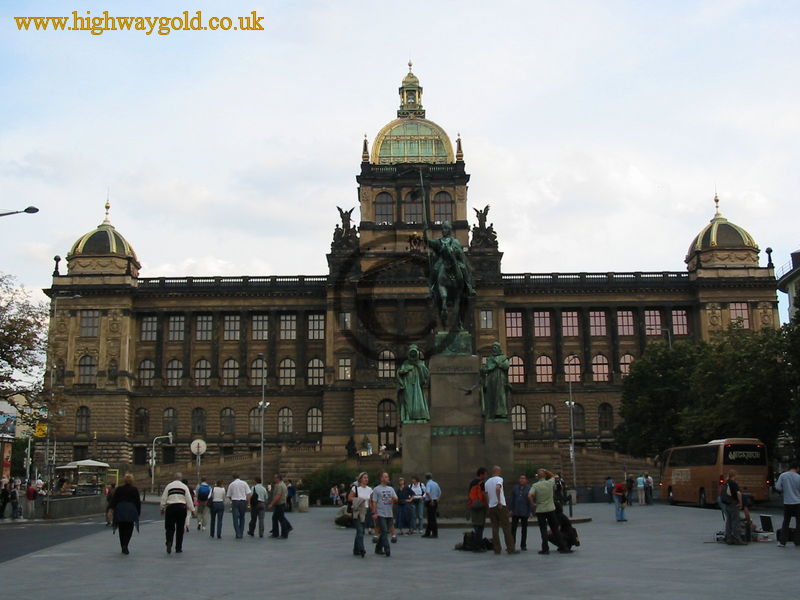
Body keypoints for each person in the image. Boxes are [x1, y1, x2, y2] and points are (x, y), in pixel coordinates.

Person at [529, 468, 571, 554]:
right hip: (550, 509)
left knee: (543, 530)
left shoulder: (535, 485)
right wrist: (545, 470)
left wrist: (533, 504)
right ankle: (563, 547)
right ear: (545, 476)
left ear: (538, 477)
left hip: (540, 510)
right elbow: (554, 476)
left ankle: (545, 549)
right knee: (555, 529)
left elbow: (529, 495)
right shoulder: (549, 483)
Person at [159, 472, 195, 554]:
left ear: (174, 478)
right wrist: (192, 510)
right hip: (181, 508)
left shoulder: (169, 486)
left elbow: (164, 498)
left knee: (169, 527)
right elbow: (188, 499)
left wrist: (162, 508)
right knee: (180, 528)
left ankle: (169, 541)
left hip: (171, 507)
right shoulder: (184, 487)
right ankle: (178, 547)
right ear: (181, 478)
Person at [484, 465, 516, 554]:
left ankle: (497, 548)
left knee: (495, 528)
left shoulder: (487, 482)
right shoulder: (499, 479)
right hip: (500, 505)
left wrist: (489, 504)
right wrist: (499, 501)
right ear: (498, 472)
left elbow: (486, 494)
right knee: (506, 527)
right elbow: (498, 488)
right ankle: (510, 548)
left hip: (491, 506)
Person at [108, 473, 141, 555]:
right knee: (129, 528)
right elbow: (138, 502)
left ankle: (122, 544)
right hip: (131, 509)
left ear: (124, 480)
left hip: (120, 509)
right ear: (132, 480)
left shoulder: (119, 489)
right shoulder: (134, 489)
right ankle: (126, 544)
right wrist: (138, 512)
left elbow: (114, 500)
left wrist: (111, 509)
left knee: (121, 528)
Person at [370, 471, 397, 557]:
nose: (387, 478)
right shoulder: (376, 489)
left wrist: (394, 499)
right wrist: (374, 512)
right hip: (380, 512)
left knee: (385, 532)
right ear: (381, 478)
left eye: (387, 477)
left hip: (389, 512)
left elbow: (396, 498)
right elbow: (374, 502)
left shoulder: (391, 489)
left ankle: (378, 548)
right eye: (385, 477)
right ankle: (387, 548)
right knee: (384, 530)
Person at [775, 463, 800, 548]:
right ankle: (797, 541)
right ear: (797, 468)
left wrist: (785, 490)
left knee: (786, 522)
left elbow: (778, 487)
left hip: (787, 502)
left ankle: (782, 541)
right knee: (798, 523)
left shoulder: (783, 475)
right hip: (798, 502)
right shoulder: (798, 477)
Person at [348, 472, 372, 557]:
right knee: (360, 530)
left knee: (360, 531)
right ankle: (362, 549)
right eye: (364, 477)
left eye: (367, 478)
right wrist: (359, 499)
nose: (366, 479)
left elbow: (371, 501)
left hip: (366, 511)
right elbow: (349, 498)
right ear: (360, 479)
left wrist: (373, 511)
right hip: (358, 511)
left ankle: (356, 549)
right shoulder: (356, 488)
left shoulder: (369, 489)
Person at [720, 470, 745, 545]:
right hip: (733, 504)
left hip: (727, 504)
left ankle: (729, 538)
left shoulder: (726, 483)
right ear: (734, 475)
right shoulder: (733, 483)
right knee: (735, 522)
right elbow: (738, 493)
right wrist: (740, 503)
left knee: (729, 521)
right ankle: (737, 539)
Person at [509, 473, 531, 551]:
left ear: (526, 480)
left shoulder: (529, 488)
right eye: (521, 478)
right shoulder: (515, 488)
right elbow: (512, 499)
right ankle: (512, 544)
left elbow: (530, 500)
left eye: (523, 478)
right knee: (513, 529)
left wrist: (531, 511)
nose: (522, 480)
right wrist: (510, 509)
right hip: (515, 511)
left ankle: (523, 545)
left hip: (525, 511)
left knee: (524, 529)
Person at [468, 467, 488, 548]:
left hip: (473, 506)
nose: (486, 476)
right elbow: (484, 494)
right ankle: (478, 545)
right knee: (480, 526)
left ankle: (476, 544)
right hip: (481, 507)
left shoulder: (472, 483)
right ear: (481, 474)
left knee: (476, 526)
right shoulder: (481, 483)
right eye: (485, 474)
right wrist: (487, 504)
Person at [226, 472, 251, 539]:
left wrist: (232, 499)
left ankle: (238, 533)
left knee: (235, 518)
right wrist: (248, 502)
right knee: (242, 517)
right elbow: (248, 493)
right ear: (239, 476)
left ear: (233, 477)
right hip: (243, 501)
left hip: (235, 501)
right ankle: (241, 532)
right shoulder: (244, 483)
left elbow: (229, 495)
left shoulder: (231, 484)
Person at [268, 473, 292, 538]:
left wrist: (271, 504)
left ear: (278, 478)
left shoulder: (279, 485)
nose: (274, 479)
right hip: (280, 504)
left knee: (281, 519)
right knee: (275, 518)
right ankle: (276, 533)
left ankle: (284, 534)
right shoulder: (282, 484)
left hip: (280, 504)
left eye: (275, 478)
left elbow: (278, 496)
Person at [422, 472, 441, 538]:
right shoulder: (436, 483)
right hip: (435, 500)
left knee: (431, 518)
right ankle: (427, 533)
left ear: (426, 478)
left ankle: (434, 533)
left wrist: (431, 499)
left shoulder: (428, 484)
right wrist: (437, 499)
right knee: (431, 517)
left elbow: (428, 492)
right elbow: (440, 492)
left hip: (430, 501)